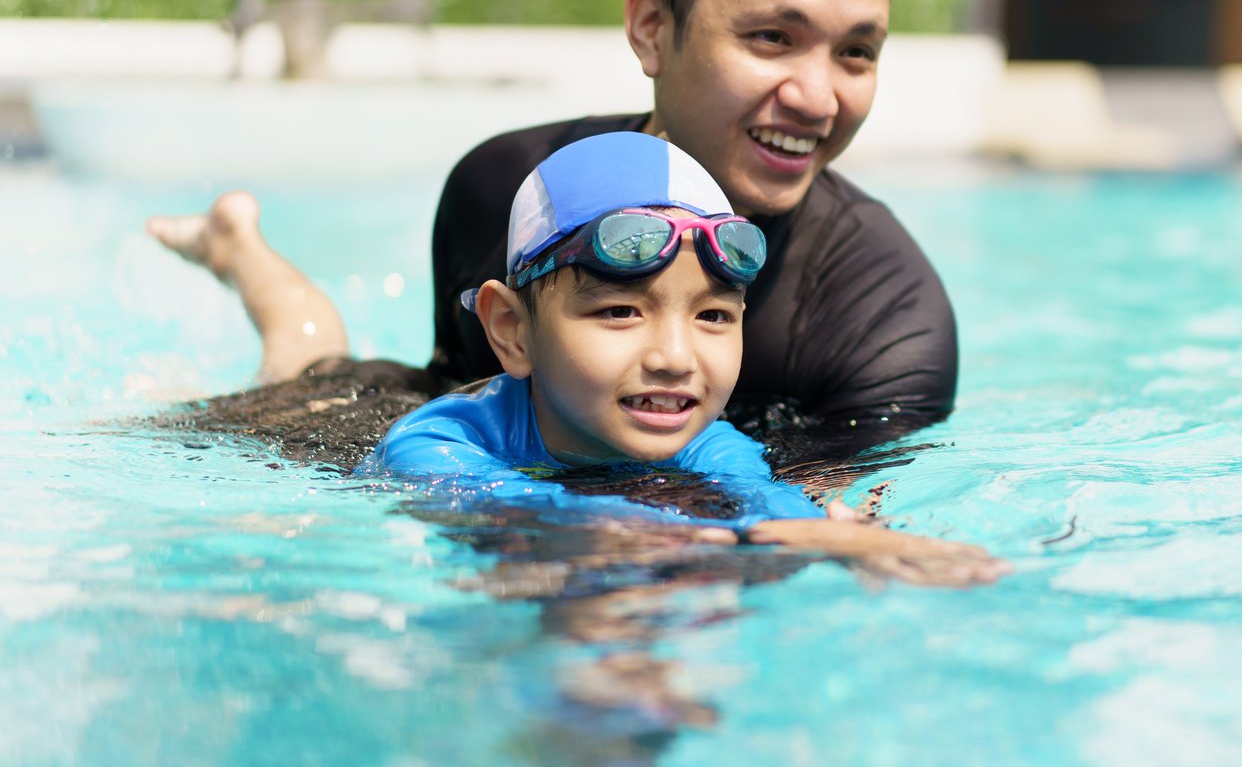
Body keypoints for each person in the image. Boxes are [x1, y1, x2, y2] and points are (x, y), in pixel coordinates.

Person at [150, 0, 956, 466]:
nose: (818, 98)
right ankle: (243, 251)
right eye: (771, 38)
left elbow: (811, 538)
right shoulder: (506, 186)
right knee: (311, 384)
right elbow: (452, 399)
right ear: (651, 29)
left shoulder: (883, 323)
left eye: (856, 53)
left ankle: (237, 243)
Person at [357, 129, 1005, 586]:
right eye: (619, 311)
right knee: (308, 359)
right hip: (337, 415)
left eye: (713, 316)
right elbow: (513, 512)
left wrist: (844, 538)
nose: (674, 357)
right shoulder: (434, 442)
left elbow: (764, 503)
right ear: (512, 332)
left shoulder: (709, 447)